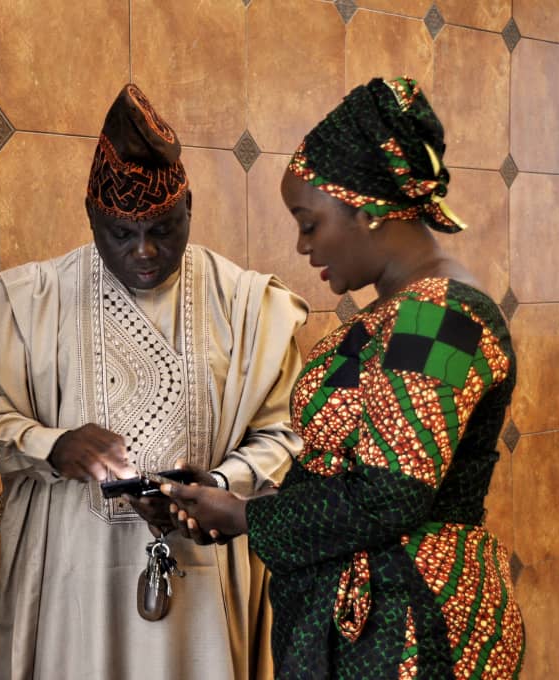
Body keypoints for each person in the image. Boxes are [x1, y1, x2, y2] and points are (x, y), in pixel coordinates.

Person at [163, 76, 525, 678]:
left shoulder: (441, 314)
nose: (302, 246)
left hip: (413, 628)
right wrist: (241, 502)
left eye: (309, 223)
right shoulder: (402, 309)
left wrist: (249, 518)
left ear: (367, 208)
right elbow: (358, 477)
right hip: (377, 619)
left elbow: (390, 494)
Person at [0, 83, 308, 680]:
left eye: (164, 229)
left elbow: (283, 434)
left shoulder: (249, 305)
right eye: (121, 234)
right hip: (73, 579)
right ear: (91, 216)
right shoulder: (29, 303)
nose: (144, 251)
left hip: (206, 577)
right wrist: (55, 445)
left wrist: (218, 485)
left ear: (189, 207)